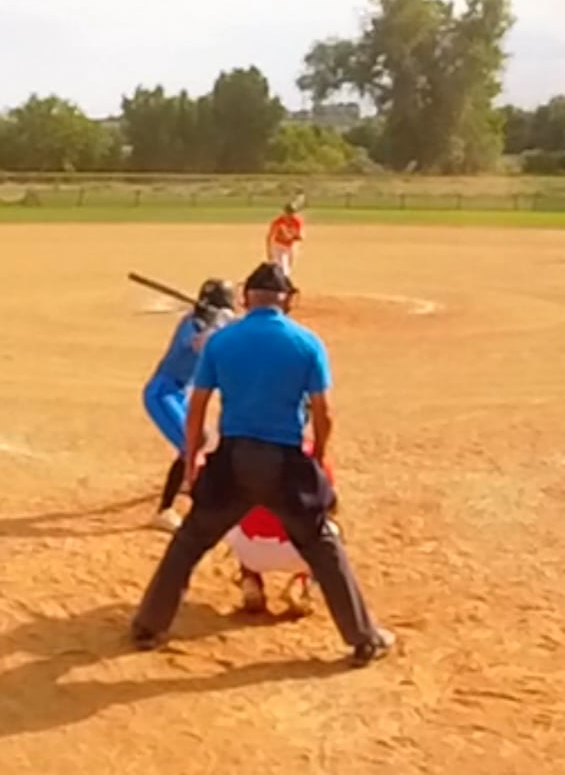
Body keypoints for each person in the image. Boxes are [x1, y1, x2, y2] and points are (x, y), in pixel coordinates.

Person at [131, 262, 394, 667]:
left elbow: (197, 406)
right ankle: (363, 638)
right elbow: (323, 413)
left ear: (247, 298)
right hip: (286, 461)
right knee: (322, 544)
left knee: (189, 542)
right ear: (285, 300)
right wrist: (318, 458)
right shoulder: (306, 342)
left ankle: (147, 627)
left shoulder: (222, 342)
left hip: (233, 460)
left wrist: (192, 459)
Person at [140, 279, 238, 532]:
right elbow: (200, 344)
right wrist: (216, 325)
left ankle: (186, 476)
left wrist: (227, 324)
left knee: (202, 439)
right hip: (162, 393)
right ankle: (164, 511)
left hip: (180, 393)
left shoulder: (216, 324)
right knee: (191, 442)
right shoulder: (191, 324)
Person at [225, 438, 336, 617]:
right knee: (330, 530)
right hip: (297, 552)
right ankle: (302, 581)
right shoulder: (311, 453)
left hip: (250, 551)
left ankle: (250, 579)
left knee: (233, 519)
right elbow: (330, 505)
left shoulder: (240, 451)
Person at [266, 201, 304, 279]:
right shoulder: (278, 221)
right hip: (278, 246)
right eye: (288, 212)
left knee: (286, 269)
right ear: (285, 212)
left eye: (292, 212)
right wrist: (269, 251)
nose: (290, 214)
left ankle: (283, 282)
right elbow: (270, 236)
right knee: (277, 266)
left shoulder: (297, 221)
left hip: (289, 247)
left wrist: (296, 236)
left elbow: (300, 236)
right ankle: (277, 282)